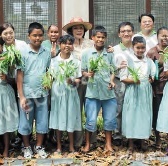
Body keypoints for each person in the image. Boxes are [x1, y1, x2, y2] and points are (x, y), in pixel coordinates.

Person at [16, 22, 51, 159]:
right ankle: (26, 147)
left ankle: (39, 146)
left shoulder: (46, 52)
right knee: (25, 122)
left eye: (40, 35)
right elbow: (20, 74)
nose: (37, 38)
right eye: (34, 35)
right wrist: (22, 96)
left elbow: (48, 71)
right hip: (27, 94)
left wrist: (48, 82)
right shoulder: (23, 52)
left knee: (42, 121)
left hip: (42, 94)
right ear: (28, 36)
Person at [81, 25, 117, 152]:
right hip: (92, 92)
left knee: (109, 119)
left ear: (105, 38)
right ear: (93, 38)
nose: (100, 39)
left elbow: (114, 70)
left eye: (103, 37)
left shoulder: (110, 54)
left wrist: (112, 80)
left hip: (108, 92)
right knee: (90, 120)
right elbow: (83, 71)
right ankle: (87, 144)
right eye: (98, 37)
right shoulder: (86, 53)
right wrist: (87, 74)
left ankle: (108, 144)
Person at [62, 16, 96, 149]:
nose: (78, 30)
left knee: (90, 110)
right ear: (71, 30)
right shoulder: (68, 44)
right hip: (76, 81)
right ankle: (77, 141)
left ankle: (91, 141)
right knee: (76, 110)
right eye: (75, 28)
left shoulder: (90, 43)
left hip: (91, 81)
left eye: (81, 28)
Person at [121, 36, 155, 154]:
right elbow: (123, 78)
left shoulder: (149, 62)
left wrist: (151, 78)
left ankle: (142, 141)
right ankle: (130, 143)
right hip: (133, 91)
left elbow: (153, 75)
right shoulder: (128, 61)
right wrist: (134, 80)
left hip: (145, 92)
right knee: (132, 115)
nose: (140, 50)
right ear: (133, 47)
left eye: (143, 48)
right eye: (138, 48)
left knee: (143, 115)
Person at [49, 34, 81, 153]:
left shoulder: (76, 62)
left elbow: (79, 79)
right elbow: (50, 77)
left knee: (70, 117)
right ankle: (59, 145)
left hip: (71, 94)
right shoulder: (54, 61)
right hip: (57, 94)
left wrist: (73, 81)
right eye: (64, 43)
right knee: (59, 117)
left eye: (69, 43)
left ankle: (71, 145)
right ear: (59, 45)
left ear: (72, 46)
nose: (67, 46)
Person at [146, 27, 168, 149]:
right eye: (162, 35)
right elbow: (146, 68)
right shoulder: (152, 52)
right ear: (157, 37)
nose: (165, 38)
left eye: (167, 35)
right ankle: (158, 138)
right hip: (157, 88)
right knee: (157, 113)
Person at [112, 22, 134, 144]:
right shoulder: (114, 50)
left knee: (132, 109)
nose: (126, 33)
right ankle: (117, 135)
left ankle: (131, 135)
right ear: (119, 34)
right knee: (118, 109)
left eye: (129, 31)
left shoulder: (137, 47)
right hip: (119, 82)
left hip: (134, 83)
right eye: (123, 31)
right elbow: (109, 68)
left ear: (133, 33)